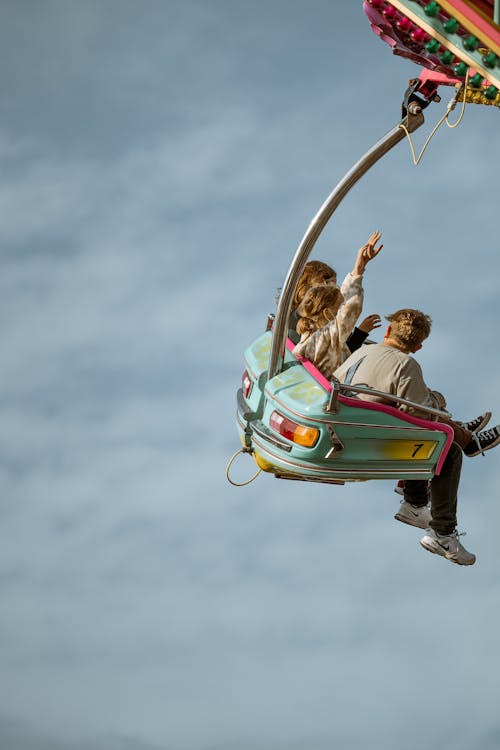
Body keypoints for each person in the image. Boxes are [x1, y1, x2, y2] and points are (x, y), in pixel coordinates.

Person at [334, 308, 500, 566]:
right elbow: (419, 414)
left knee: (425, 428)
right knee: (446, 448)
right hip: (361, 437)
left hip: (344, 421)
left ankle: (416, 503)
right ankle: (442, 532)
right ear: (419, 346)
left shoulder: (364, 350)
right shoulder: (405, 364)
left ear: (388, 331)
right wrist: (438, 402)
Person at [291, 231, 383, 379]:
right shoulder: (325, 338)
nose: (337, 290)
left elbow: (339, 302)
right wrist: (358, 270)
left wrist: (357, 272)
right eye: (332, 287)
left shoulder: (307, 336)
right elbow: (348, 310)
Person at [284, 241, 382, 349]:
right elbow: (334, 357)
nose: (336, 292)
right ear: (317, 288)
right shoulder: (297, 324)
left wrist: (360, 333)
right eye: (332, 287)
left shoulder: (317, 318)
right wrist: (357, 271)